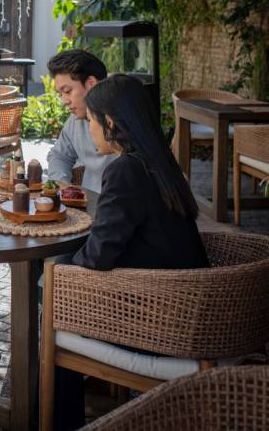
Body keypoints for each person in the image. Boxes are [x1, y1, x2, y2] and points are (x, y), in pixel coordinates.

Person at [52, 74, 209, 430]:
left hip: (159, 323)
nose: (89, 130)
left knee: (52, 297)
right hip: (192, 310)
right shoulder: (160, 162)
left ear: (109, 122)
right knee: (59, 277)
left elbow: (98, 258)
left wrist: (60, 275)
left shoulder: (125, 170)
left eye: (91, 121)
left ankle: (56, 420)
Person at [46, 49, 116, 193]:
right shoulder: (75, 120)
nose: (64, 101)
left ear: (91, 84)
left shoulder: (122, 119)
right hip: (85, 204)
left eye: (67, 91)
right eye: (60, 94)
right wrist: (61, 186)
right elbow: (59, 155)